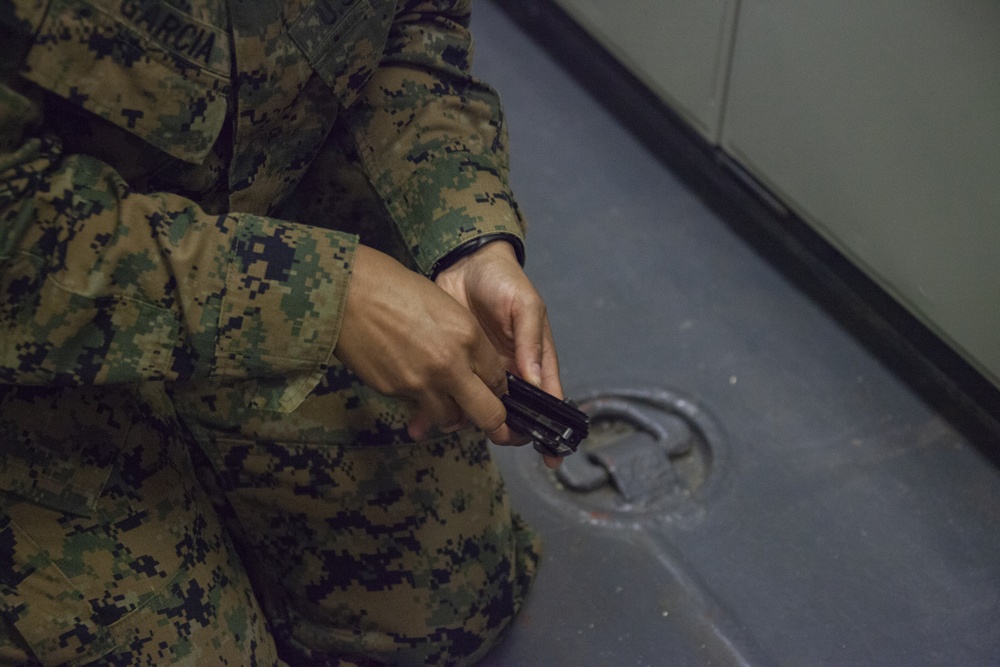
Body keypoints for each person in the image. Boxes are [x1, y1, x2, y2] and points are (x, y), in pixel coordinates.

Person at [0, 1, 563, 664]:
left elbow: (415, 23)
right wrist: (325, 294)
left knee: (451, 608)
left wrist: (468, 234)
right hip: (32, 363)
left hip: (259, 233)